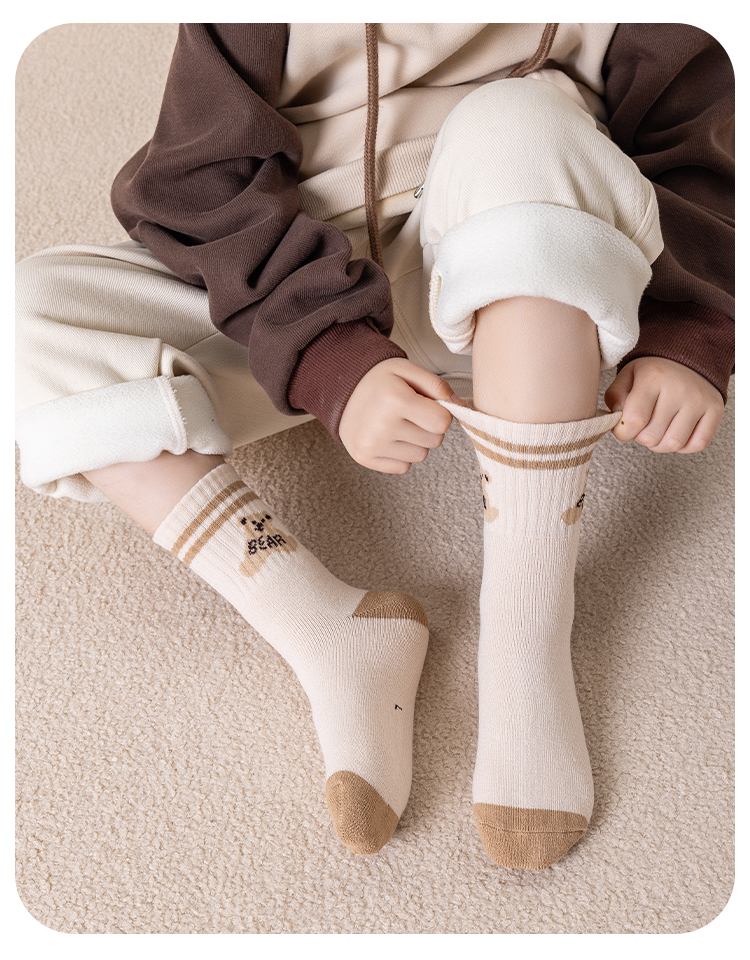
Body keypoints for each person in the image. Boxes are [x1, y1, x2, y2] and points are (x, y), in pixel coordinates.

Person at [15, 23, 733, 870]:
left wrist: (689, 332)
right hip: (293, 286)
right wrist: (329, 355)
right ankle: (329, 630)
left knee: (521, 116)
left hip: (531, 272)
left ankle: (525, 634)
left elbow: (699, 153)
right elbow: (196, 182)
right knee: (32, 316)